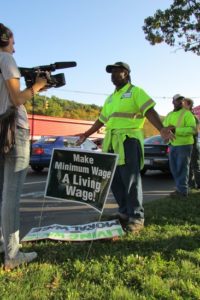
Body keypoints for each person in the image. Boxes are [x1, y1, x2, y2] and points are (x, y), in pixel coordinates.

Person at [77, 61, 174, 233]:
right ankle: (124, 212)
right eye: (111, 72)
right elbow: (102, 120)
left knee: (131, 180)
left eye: (117, 71)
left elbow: (149, 111)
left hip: (129, 140)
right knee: (115, 180)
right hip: (111, 142)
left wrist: (161, 129)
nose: (113, 75)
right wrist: (86, 133)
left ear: (126, 74)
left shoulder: (136, 91)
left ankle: (136, 217)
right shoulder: (111, 98)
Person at [0, 23, 47, 270]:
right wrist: (37, 87)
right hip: (13, 130)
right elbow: (17, 99)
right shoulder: (5, 58)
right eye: (13, 42)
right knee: (11, 195)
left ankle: (2, 245)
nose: (14, 49)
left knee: (1, 193)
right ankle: (12, 255)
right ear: (5, 38)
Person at [163, 94, 197, 197]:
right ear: (173, 102)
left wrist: (175, 130)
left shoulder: (187, 114)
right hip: (172, 145)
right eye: (177, 100)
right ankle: (179, 188)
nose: (180, 102)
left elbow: (193, 130)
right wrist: (167, 133)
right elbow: (164, 128)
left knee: (182, 168)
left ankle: (182, 191)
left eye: (181, 100)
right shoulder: (169, 115)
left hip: (184, 145)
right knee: (174, 168)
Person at [182, 97, 200, 189]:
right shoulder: (184, 115)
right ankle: (191, 185)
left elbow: (195, 131)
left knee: (195, 165)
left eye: (184, 103)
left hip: (193, 144)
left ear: (189, 105)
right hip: (187, 144)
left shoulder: (193, 117)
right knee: (188, 165)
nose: (182, 104)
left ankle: (198, 185)